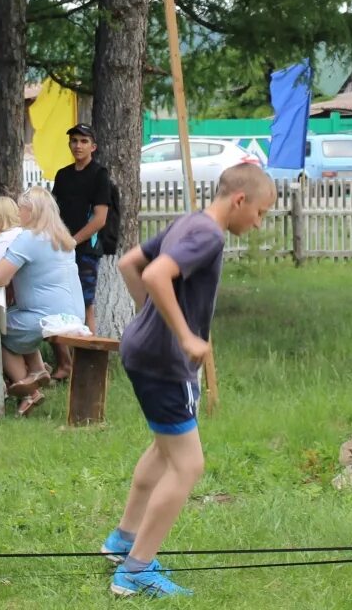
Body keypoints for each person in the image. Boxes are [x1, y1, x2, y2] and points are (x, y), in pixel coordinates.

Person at [103, 164, 275, 597]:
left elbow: (130, 263)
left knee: (164, 450)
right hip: (165, 361)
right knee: (188, 464)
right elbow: (154, 274)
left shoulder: (189, 221)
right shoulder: (209, 234)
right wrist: (183, 335)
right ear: (239, 200)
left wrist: (151, 319)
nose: (259, 223)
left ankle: (123, 542)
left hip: (142, 351)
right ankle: (135, 571)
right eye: (260, 212)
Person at [0, 188, 84, 416]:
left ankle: (28, 389)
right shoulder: (63, 238)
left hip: (43, 317)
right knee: (15, 320)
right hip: (73, 315)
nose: (18, 214)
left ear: (30, 211)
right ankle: (38, 372)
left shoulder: (28, 238)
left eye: (20, 209)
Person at [51, 123, 115, 377]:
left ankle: (88, 365)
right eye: (74, 140)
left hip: (85, 248)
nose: (78, 145)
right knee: (57, 302)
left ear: (93, 147)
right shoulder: (63, 175)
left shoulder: (100, 175)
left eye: (83, 141)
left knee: (85, 304)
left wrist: (73, 241)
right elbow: (53, 210)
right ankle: (64, 364)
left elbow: (99, 218)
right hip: (59, 248)